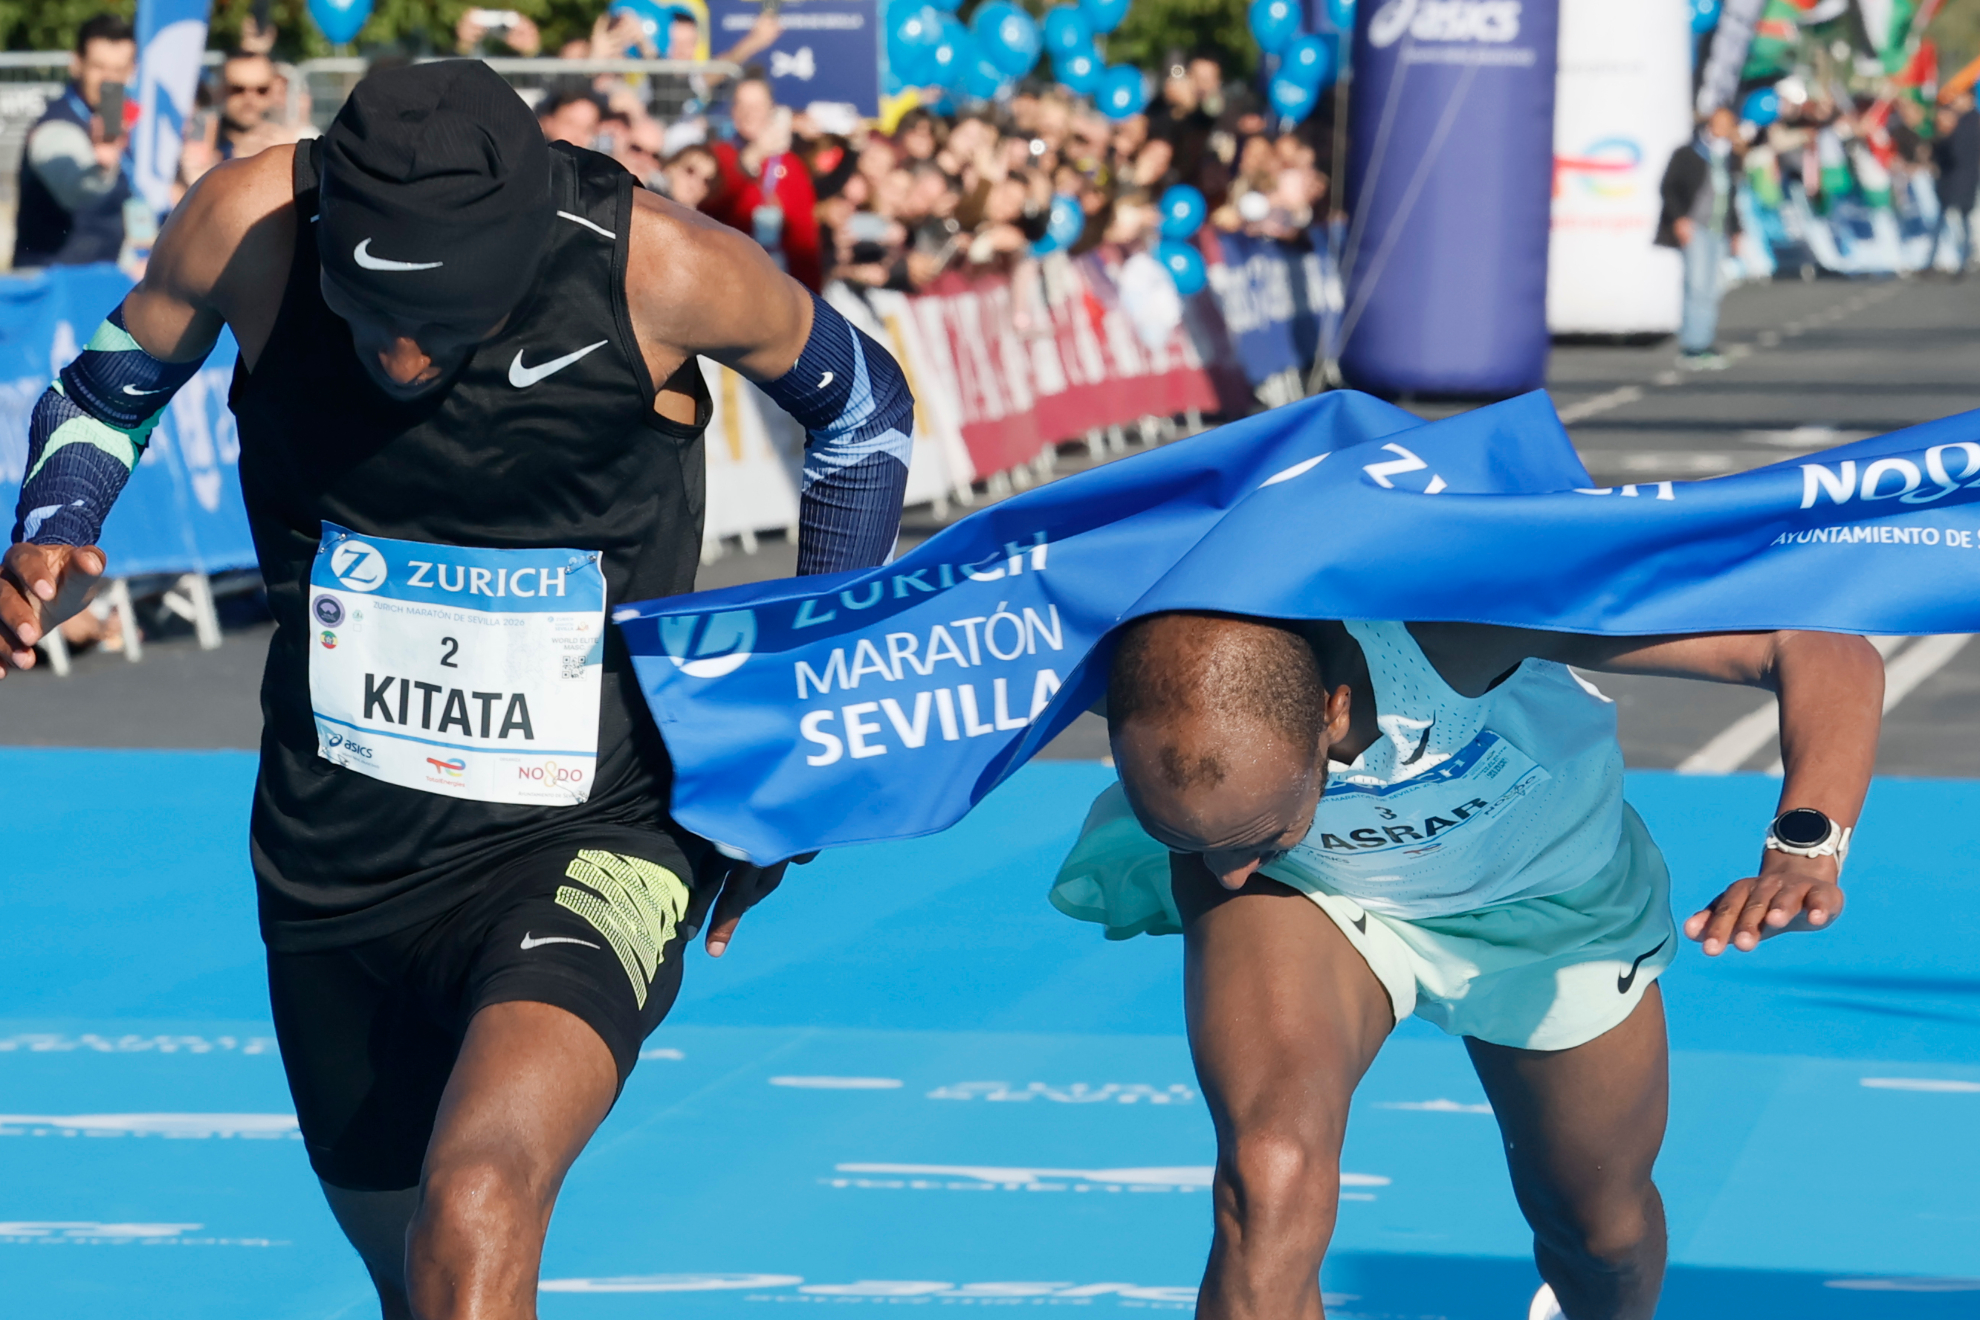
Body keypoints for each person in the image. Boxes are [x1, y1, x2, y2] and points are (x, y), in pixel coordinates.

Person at [0, 60, 913, 1318]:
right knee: (419, 1279)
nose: (403, 352)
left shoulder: (655, 264)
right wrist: (59, 520)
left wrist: (795, 730)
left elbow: (863, 411)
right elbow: (108, 388)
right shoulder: (250, 223)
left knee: (479, 1200)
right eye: (370, 313)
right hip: (334, 857)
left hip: (594, 829)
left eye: (441, 321)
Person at [1052, 611, 1879, 1320]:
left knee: (1602, 1236)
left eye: (1259, 830)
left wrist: (1803, 848)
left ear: (1334, 712)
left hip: (1554, 906)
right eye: (1195, 841)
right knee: (1269, 1174)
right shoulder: (1109, 668)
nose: (1228, 873)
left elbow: (1813, 646)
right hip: (1315, 893)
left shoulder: (1457, 628)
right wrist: (1244, 844)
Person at [13, 13, 136, 270]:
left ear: (132, 71)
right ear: (76, 64)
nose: (108, 80)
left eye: (118, 70)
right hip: (52, 282)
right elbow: (74, 189)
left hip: (106, 277)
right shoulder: (54, 126)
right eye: (99, 67)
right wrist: (99, 168)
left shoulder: (124, 128)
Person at [703, 73, 823, 290]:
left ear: (771, 110)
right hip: (729, 277)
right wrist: (750, 159)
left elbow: (805, 238)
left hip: (780, 280)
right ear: (732, 111)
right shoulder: (718, 155)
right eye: (742, 105)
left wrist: (810, 295)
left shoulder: (791, 165)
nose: (749, 113)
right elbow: (711, 208)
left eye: (757, 106)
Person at [1656, 106, 1741, 371]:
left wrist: (1737, 231)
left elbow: (1731, 197)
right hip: (1696, 228)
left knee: (1713, 288)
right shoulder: (1688, 153)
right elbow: (1668, 188)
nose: (1725, 129)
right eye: (1721, 123)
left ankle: (1704, 340)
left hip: (1718, 229)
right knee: (1697, 286)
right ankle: (1693, 346)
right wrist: (1679, 219)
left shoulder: (1729, 156)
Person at [1930, 95, 1980, 276]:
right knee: (1947, 220)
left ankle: (1963, 260)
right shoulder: (1965, 120)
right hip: (1955, 180)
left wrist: (1947, 134)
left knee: (1963, 220)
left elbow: (1958, 153)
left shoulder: (1970, 122)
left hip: (1962, 179)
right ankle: (1935, 260)